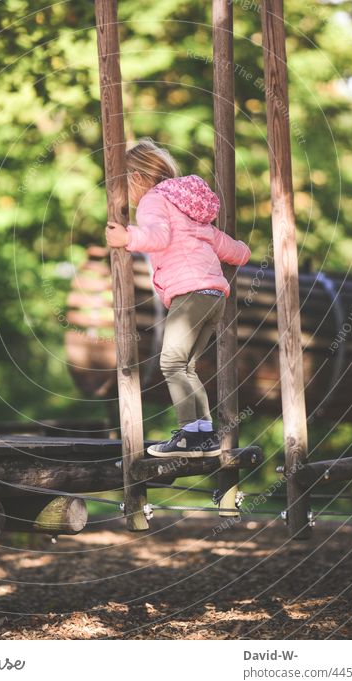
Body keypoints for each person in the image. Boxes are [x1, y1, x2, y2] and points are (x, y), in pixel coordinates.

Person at [105, 137, 251, 458]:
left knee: (171, 362)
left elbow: (158, 237)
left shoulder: (153, 201)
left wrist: (126, 236)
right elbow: (228, 247)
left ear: (138, 178)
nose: (127, 194)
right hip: (214, 296)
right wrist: (242, 251)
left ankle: (188, 433)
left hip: (190, 293)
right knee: (186, 367)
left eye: (126, 184)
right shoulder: (188, 209)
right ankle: (203, 436)